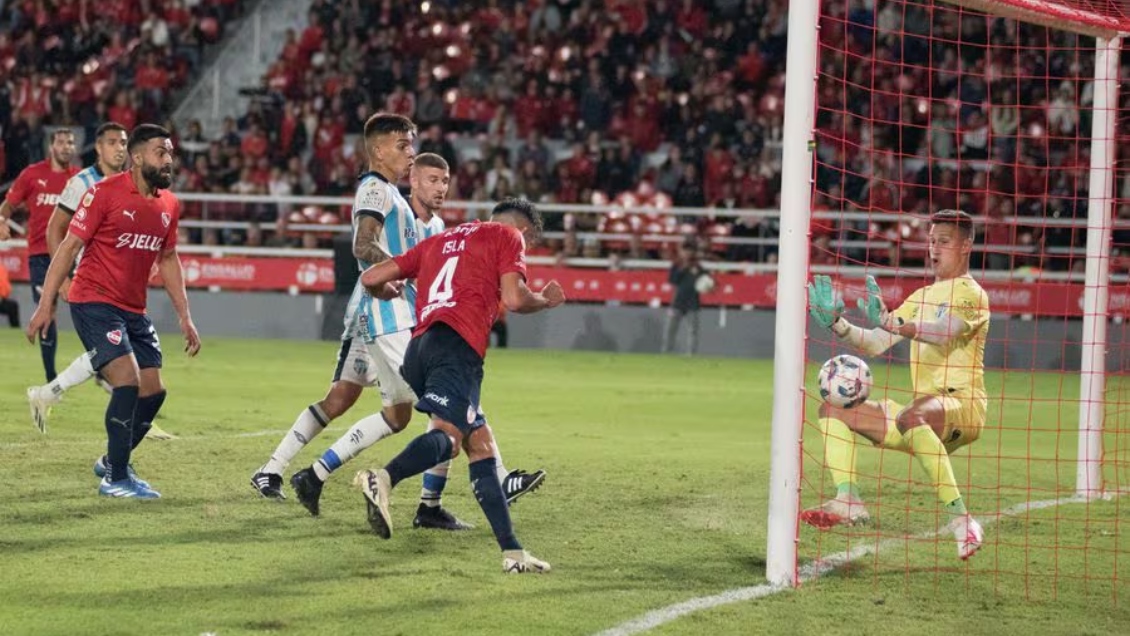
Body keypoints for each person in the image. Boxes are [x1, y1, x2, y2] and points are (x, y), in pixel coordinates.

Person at [250, 121, 544, 524]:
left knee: (378, 410)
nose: (439, 185)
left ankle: (299, 474)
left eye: (445, 180)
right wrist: (392, 276)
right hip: (382, 315)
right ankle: (459, 493)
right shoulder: (378, 191)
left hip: (398, 318)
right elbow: (362, 246)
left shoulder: (432, 225)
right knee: (446, 407)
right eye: (406, 148)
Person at [355, 197, 565, 574]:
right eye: (528, 246)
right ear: (526, 232)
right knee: (449, 440)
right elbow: (515, 299)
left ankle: (513, 553)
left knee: (480, 446)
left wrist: (386, 293)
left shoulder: (442, 239)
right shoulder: (509, 236)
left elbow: (370, 277)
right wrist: (545, 301)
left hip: (419, 351)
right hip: (457, 348)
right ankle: (383, 478)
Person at [26, 124, 201, 499]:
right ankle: (116, 479)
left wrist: (185, 316)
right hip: (94, 301)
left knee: (153, 393)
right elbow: (69, 246)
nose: (168, 159)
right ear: (137, 158)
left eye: (170, 152)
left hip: (133, 309)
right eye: (160, 152)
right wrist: (46, 304)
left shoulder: (169, 204)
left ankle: (111, 460)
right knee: (127, 381)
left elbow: (168, 259)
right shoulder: (103, 193)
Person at [804, 209, 986, 560]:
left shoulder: (971, 293)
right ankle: (848, 500)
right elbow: (874, 342)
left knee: (911, 416)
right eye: (931, 240)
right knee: (832, 410)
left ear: (965, 246)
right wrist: (837, 324)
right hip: (921, 418)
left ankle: (963, 521)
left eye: (944, 242)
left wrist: (897, 325)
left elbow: (945, 331)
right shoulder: (921, 297)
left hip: (963, 408)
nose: (934, 249)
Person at [0, 128, 78, 381]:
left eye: (71, 142)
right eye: (62, 142)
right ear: (51, 146)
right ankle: (51, 377)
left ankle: (101, 367)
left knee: (88, 309)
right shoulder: (32, 175)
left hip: (70, 254)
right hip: (40, 257)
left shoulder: (79, 179)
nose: (67, 146)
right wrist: (2, 219)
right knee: (48, 312)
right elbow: (9, 203)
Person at [661, 245, 709, 355]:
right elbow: (672, 280)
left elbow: (706, 281)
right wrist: (683, 269)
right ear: (681, 252)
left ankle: (691, 355)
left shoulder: (698, 267)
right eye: (685, 251)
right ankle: (666, 353)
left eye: (690, 251)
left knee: (693, 331)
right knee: (670, 330)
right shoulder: (676, 265)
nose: (687, 253)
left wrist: (708, 286)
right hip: (677, 302)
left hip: (693, 303)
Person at [0, 260, 18, 327]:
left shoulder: (2, 269)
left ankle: (15, 331)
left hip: (2, 299)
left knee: (13, 306)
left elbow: (6, 287)